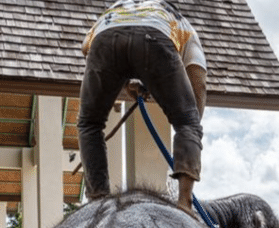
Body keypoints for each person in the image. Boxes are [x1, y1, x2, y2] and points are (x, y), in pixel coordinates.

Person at [78, 0, 206, 215]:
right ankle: (185, 203)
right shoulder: (183, 26)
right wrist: (192, 124)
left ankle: (97, 199)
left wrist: (126, 81)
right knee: (187, 121)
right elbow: (198, 82)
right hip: (155, 36)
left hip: (104, 37)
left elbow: (86, 47)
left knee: (89, 123)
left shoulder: (116, 9)